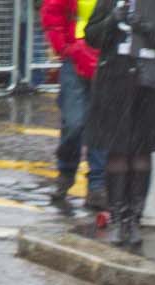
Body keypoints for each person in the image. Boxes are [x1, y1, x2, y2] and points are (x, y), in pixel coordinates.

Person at [84, 0, 155, 248]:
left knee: (143, 151)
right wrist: (113, 19)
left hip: (152, 82)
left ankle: (134, 218)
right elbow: (91, 36)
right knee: (118, 150)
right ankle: (118, 217)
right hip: (116, 80)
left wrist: (145, 28)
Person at [41, 0, 109, 213]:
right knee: (74, 123)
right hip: (75, 56)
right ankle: (66, 173)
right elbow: (53, 12)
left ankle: (97, 184)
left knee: (100, 122)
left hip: (106, 56)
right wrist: (64, 48)